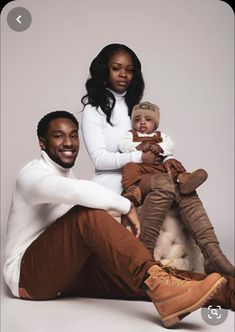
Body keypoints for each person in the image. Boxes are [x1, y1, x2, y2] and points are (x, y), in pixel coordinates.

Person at [3, 111, 229, 328]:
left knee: (143, 280)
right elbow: (75, 192)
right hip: (28, 277)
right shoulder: (30, 175)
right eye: (59, 136)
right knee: (87, 214)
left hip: (69, 273)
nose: (69, 142)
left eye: (73, 135)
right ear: (42, 143)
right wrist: (125, 205)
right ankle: (158, 283)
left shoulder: (67, 175)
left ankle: (225, 292)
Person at [81, 43, 234, 277]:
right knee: (168, 183)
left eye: (129, 70)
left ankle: (215, 257)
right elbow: (100, 159)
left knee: (184, 188)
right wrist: (138, 156)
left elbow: (154, 141)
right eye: (116, 68)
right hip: (113, 180)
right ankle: (144, 255)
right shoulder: (94, 110)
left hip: (147, 173)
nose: (123, 75)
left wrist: (168, 157)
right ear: (105, 71)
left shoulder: (137, 107)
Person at [119, 101, 208, 206]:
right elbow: (123, 145)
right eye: (137, 120)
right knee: (129, 167)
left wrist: (160, 147)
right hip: (141, 167)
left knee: (173, 165)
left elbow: (170, 146)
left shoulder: (161, 135)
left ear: (156, 124)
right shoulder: (130, 134)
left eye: (148, 120)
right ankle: (133, 190)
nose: (142, 122)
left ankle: (184, 179)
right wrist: (138, 146)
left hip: (160, 165)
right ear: (133, 123)